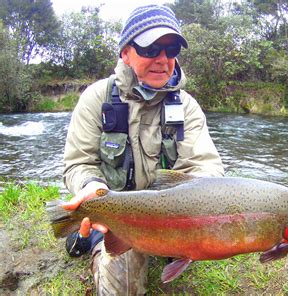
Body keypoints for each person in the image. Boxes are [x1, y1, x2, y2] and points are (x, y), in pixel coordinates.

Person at [61, 4, 224, 295]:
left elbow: (206, 169)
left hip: (175, 220)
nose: (162, 59)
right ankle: (92, 239)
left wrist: (202, 203)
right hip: (119, 219)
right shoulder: (97, 98)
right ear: (125, 51)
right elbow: (78, 163)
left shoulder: (186, 106)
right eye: (150, 49)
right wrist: (91, 186)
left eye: (171, 49)